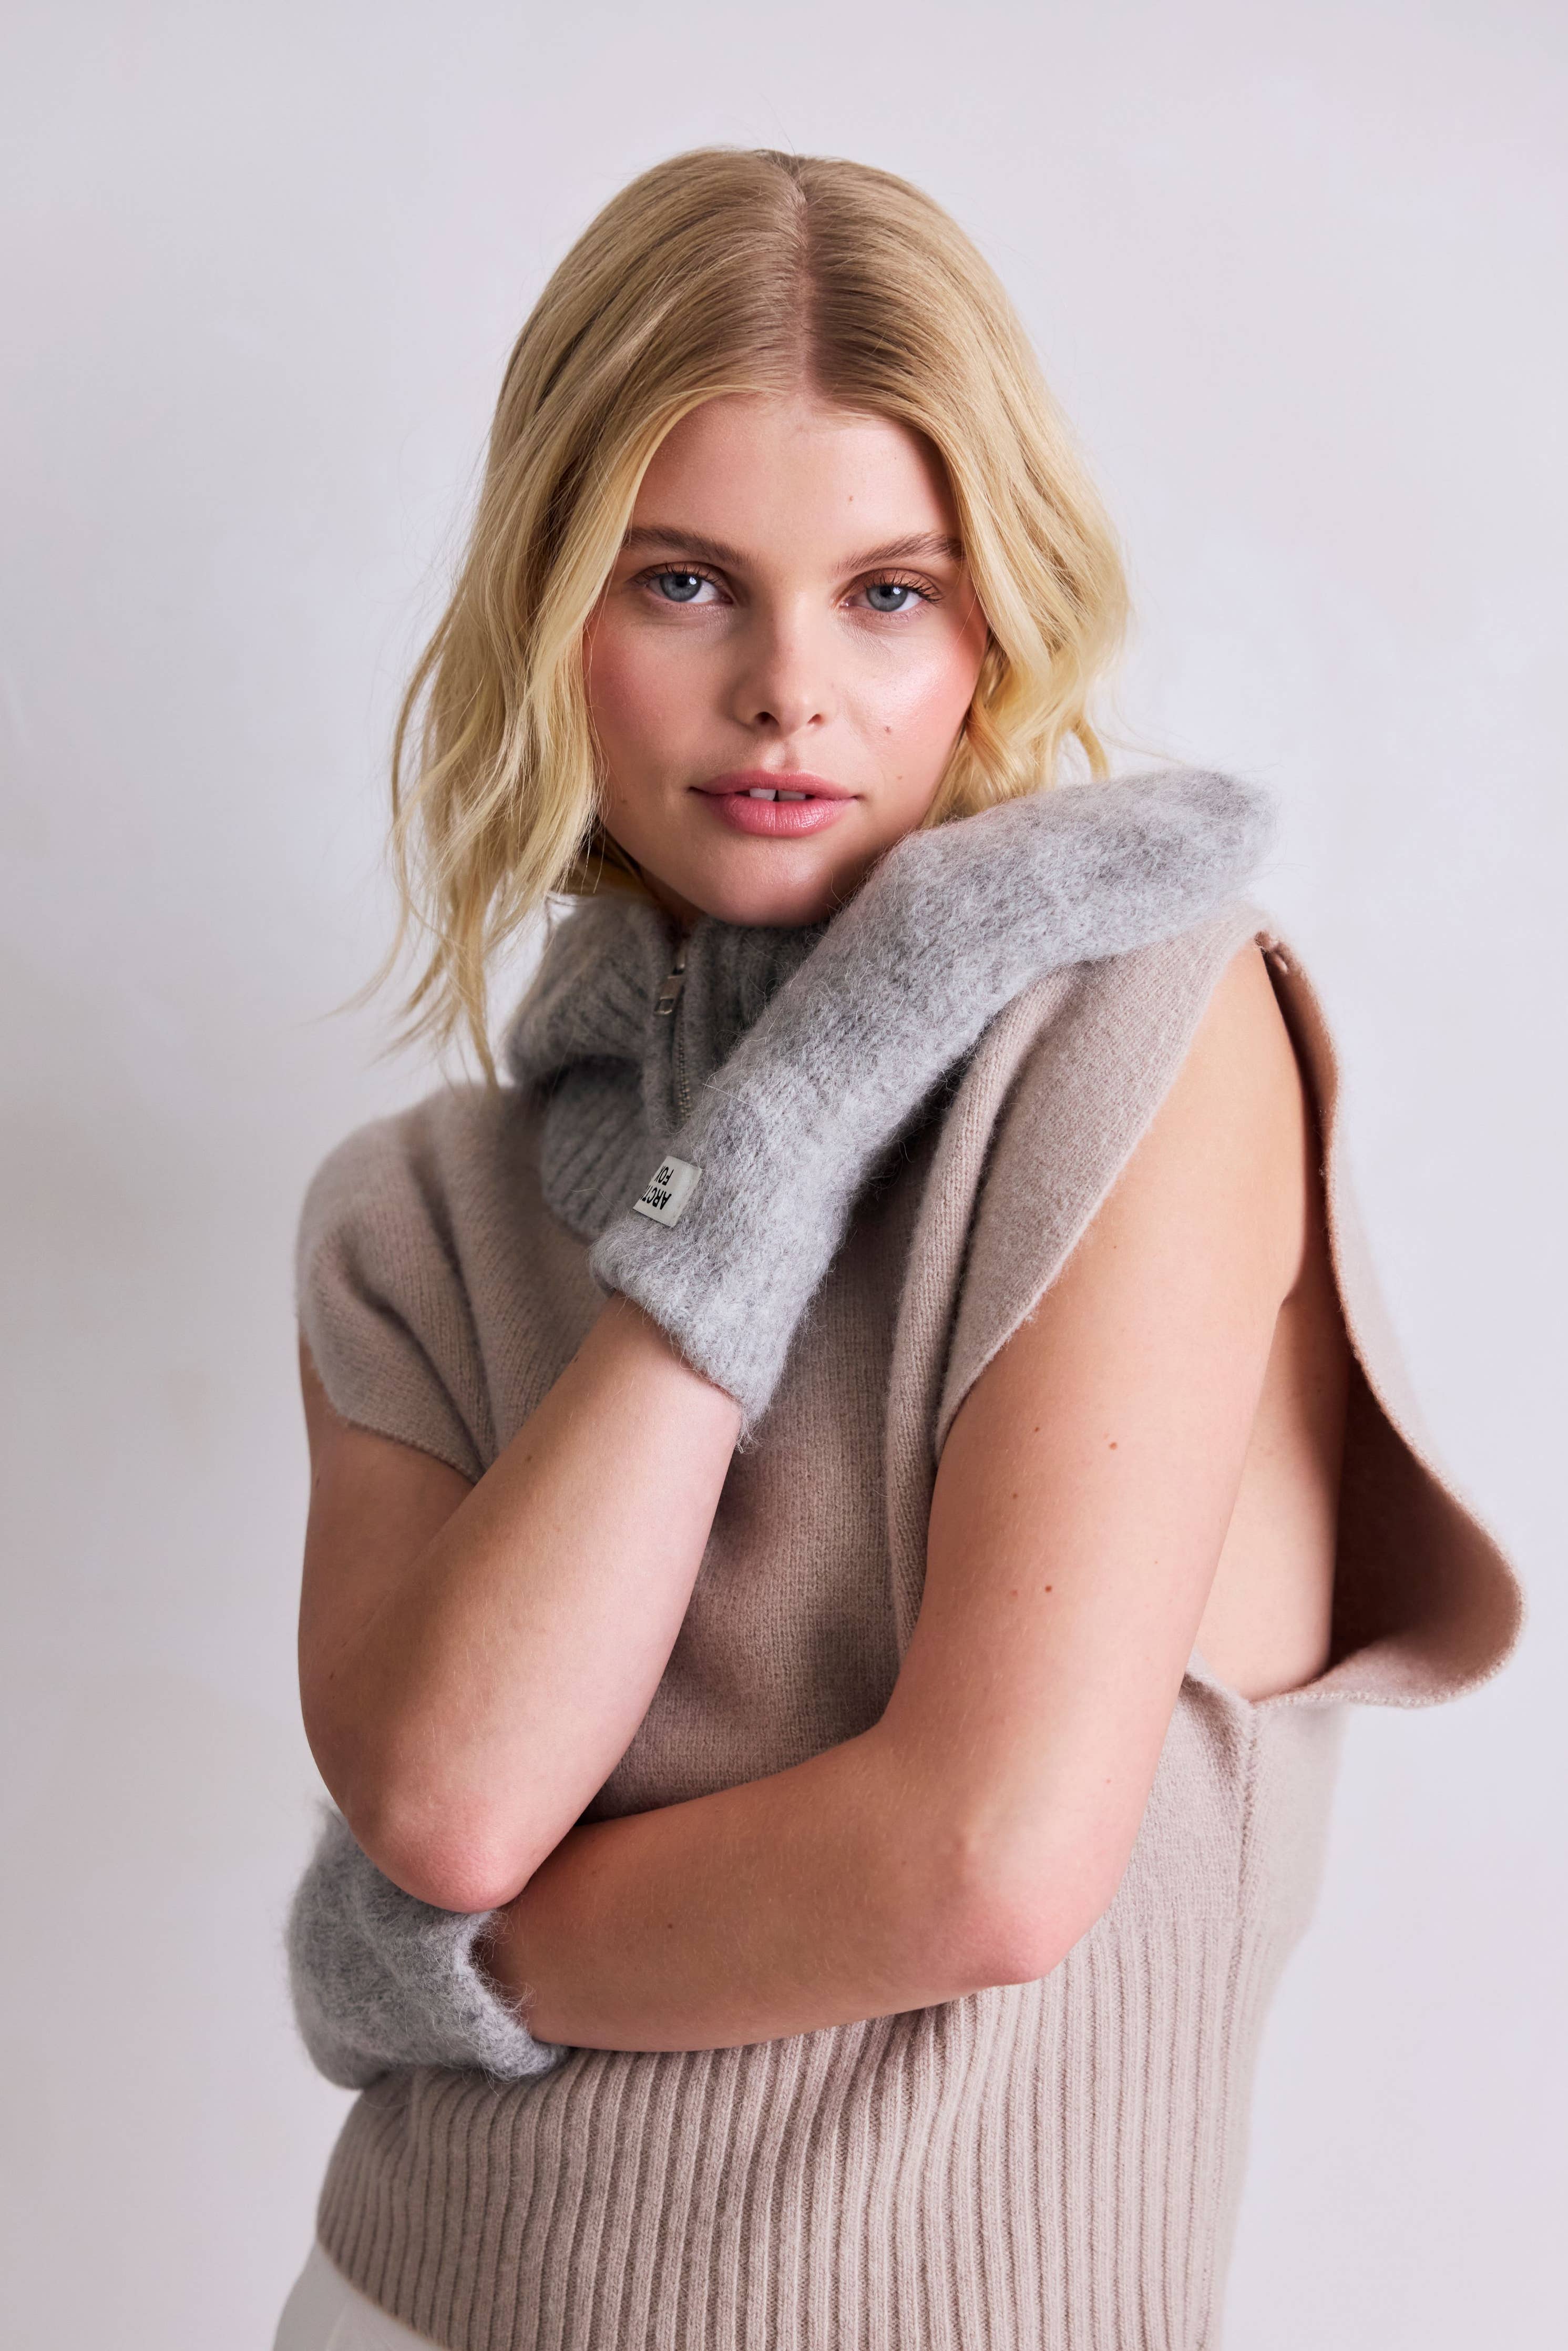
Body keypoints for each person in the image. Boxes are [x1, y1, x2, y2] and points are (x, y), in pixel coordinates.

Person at [274, 148, 1522, 2351]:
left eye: (885, 592)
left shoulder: (1145, 1030)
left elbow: (981, 1864)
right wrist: (780, 1136)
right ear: (552, 608)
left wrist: (458, 1972)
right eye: (683, 581)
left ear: (992, 621)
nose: (790, 691)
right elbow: (458, 1800)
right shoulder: (418, 1206)